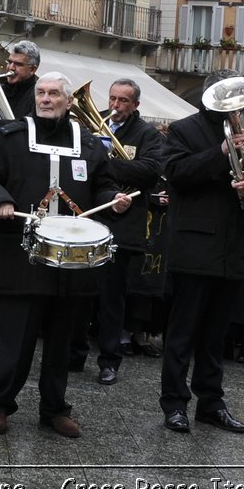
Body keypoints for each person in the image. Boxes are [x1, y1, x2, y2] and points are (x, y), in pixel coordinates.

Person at [0, 72, 128, 438]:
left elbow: (103, 185)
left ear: (69, 101)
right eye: (41, 92)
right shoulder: (11, 137)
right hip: (22, 259)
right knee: (15, 341)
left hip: (73, 265)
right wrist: (0, 199)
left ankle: (54, 409)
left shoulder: (88, 144)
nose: (45, 98)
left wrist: (112, 202)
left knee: (62, 343)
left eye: (54, 93)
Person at [156, 69, 244, 435]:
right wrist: (220, 153)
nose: (235, 105)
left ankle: (211, 402)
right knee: (182, 332)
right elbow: (176, 172)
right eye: (227, 95)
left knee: (217, 335)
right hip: (195, 246)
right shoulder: (183, 130)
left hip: (237, 247)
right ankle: (175, 403)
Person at [92, 78, 164, 386]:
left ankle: (109, 360)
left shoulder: (147, 134)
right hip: (91, 217)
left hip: (123, 226)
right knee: (82, 294)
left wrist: (105, 164)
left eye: (123, 101)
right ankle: (74, 351)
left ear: (135, 105)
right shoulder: (93, 126)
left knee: (112, 297)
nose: (115, 106)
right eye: (112, 99)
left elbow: (149, 172)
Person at [0, 40, 40, 121]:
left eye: (18, 64)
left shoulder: (37, 96)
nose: (11, 67)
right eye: (9, 62)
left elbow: (26, 126)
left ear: (32, 69)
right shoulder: (1, 88)